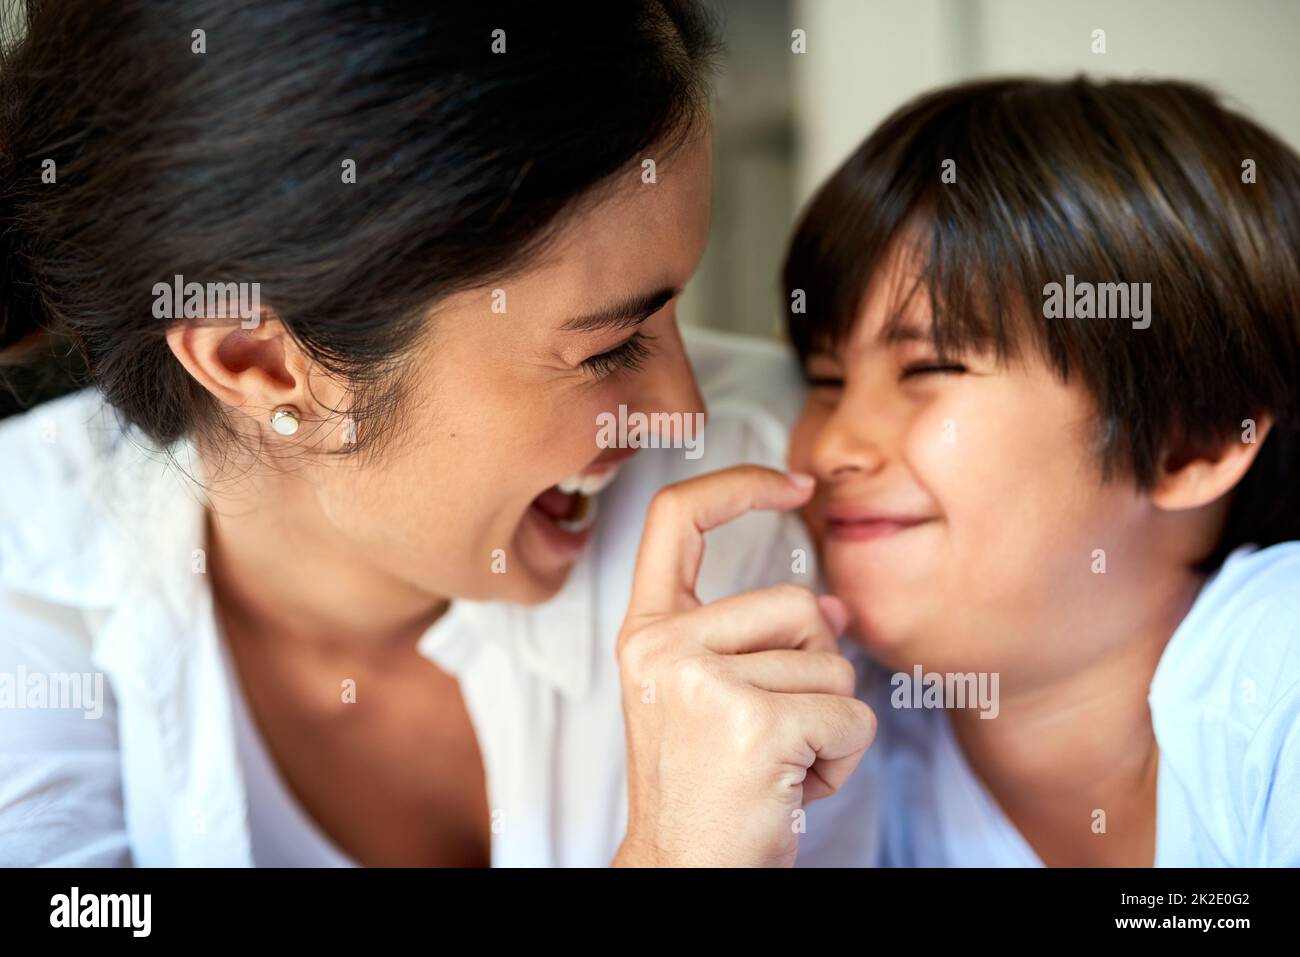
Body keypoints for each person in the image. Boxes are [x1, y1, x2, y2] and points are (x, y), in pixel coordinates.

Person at [0, 0, 870, 867]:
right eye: (609, 349)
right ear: (257, 360)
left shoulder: (786, 482)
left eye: (675, 303)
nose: (685, 412)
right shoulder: (26, 582)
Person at [781, 77, 1300, 866]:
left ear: (1191, 441)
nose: (831, 448)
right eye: (824, 382)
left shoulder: (1279, 676)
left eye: (933, 365)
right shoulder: (821, 741)